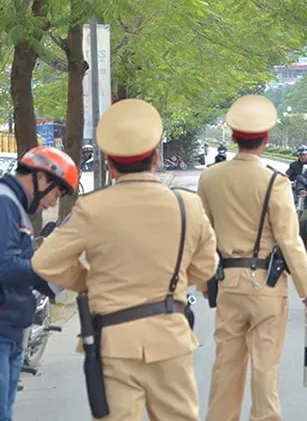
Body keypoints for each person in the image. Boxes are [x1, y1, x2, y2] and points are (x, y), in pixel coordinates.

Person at [32, 99, 218, 420]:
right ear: (157, 157)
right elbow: (206, 267)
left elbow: (45, 262)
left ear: (110, 165)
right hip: (170, 336)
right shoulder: (187, 205)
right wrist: (170, 279)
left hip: (114, 341)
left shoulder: (92, 208)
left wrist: (88, 281)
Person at [198, 94, 307, 421]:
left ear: (234, 137)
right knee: (265, 368)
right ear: (265, 139)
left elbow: (203, 236)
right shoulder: (274, 182)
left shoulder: (209, 178)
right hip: (266, 286)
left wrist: (202, 284)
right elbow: (289, 240)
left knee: (225, 367)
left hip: (228, 286)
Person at [0, 146, 77, 420]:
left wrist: (71, 277)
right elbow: (6, 267)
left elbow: (27, 269)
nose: (54, 202)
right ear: (42, 179)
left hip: (11, 332)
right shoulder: (4, 203)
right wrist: (52, 268)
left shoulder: (15, 206)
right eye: (58, 193)